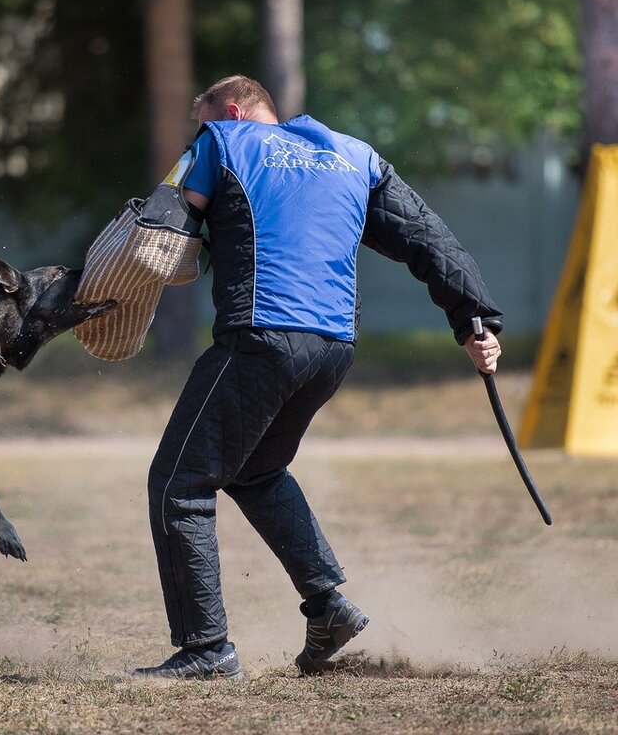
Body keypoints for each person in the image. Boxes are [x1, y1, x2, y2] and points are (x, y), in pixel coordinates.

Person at [131, 75, 504, 679]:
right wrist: (475, 319)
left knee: (179, 482)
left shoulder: (220, 141)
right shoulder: (353, 155)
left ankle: (206, 650)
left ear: (229, 111)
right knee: (254, 470)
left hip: (262, 337)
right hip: (332, 350)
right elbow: (426, 237)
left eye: (205, 118)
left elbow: (156, 235)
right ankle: (328, 608)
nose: (201, 129)